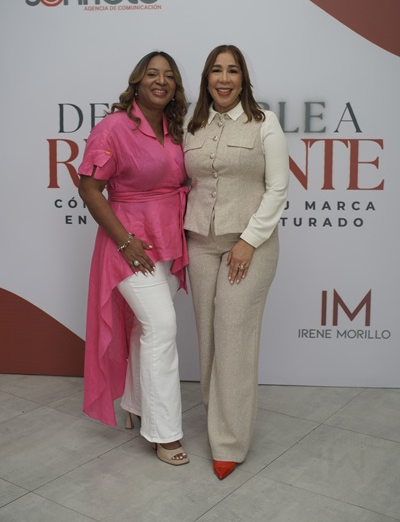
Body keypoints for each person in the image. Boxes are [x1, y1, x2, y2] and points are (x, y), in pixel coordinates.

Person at [78, 51, 190, 465]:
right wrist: (126, 242)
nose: (161, 81)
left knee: (148, 330)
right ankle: (164, 433)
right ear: (137, 82)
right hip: (129, 246)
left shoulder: (175, 129)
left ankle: (137, 405)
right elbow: (89, 188)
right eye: (152, 74)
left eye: (169, 76)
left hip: (168, 242)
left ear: (176, 87)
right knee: (161, 327)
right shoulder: (113, 127)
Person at [184, 45, 289, 479]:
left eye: (232, 71)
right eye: (216, 70)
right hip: (199, 244)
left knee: (233, 334)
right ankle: (219, 421)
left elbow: (278, 188)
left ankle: (229, 441)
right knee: (209, 338)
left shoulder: (265, 123)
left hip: (250, 246)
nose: (224, 79)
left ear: (243, 78)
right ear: (206, 78)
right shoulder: (191, 126)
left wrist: (249, 240)